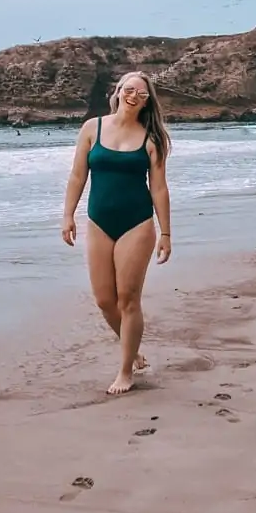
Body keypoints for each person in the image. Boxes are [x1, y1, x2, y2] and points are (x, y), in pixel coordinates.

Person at [61, 71, 172, 395]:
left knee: (128, 299)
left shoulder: (151, 138)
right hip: (98, 222)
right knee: (104, 300)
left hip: (136, 223)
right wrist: (68, 215)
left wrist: (165, 233)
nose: (133, 95)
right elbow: (77, 176)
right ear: (119, 91)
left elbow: (160, 189)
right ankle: (132, 348)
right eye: (128, 88)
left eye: (141, 92)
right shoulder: (92, 128)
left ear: (147, 99)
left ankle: (125, 372)